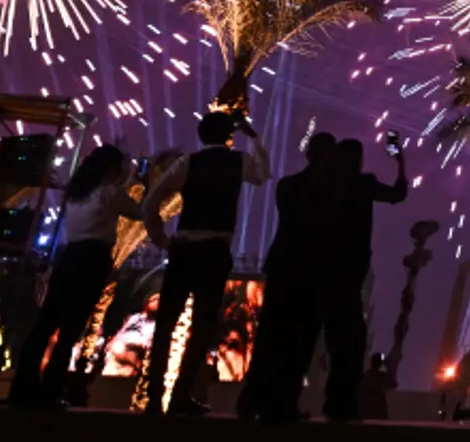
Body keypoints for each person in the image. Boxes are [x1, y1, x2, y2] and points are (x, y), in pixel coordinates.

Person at [140, 111, 270, 417]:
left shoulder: (188, 163)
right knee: (202, 326)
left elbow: (150, 203)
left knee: (166, 323)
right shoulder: (239, 162)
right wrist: (253, 137)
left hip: (183, 249)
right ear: (229, 135)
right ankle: (181, 397)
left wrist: (161, 239)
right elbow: (263, 175)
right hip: (215, 252)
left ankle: (154, 397)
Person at [10, 143, 136, 407]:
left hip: (69, 257)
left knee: (45, 324)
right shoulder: (108, 193)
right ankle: (51, 391)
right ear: (112, 168)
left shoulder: (78, 193)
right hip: (93, 259)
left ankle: (24, 386)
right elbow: (140, 211)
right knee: (71, 329)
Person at [312, 136, 409, 422]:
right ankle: (339, 404)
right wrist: (400, 161)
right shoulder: (363, 183)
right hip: (350, 273)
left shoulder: (322, 184)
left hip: (320, 269)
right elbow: (397, 195)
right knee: (350, 343)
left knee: (311, 338)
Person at [248, 131, 340, 422]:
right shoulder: (332, 193)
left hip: (282, 266)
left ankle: (252, 400)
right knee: (300, 340)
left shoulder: (287, 186)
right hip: (311, 271)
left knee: (270, 335)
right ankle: (284, 403)